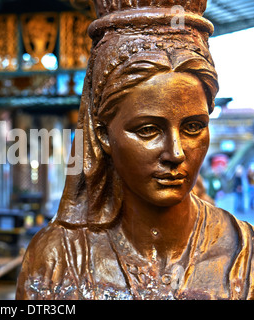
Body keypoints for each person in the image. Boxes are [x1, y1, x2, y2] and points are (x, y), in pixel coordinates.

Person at [16, 0, 254, 300]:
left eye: (193, 127)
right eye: (148, 130)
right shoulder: (57, 259)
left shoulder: (244, 253)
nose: (176, 153)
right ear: (103, 134)